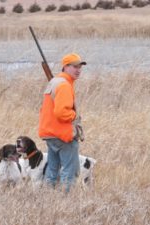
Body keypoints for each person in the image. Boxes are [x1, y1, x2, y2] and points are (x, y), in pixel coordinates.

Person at [38, 53, 86, 192]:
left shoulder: (55, 81)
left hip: (50, 134)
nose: (78, 70)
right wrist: (74, 115)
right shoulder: (64, 85)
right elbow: (61, 112)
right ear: (65, 67)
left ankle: (48, 196)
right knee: (70, 171)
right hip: (62, 135)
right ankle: (66, 201)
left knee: (52, 169)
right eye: (75, 66)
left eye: (80, 67)